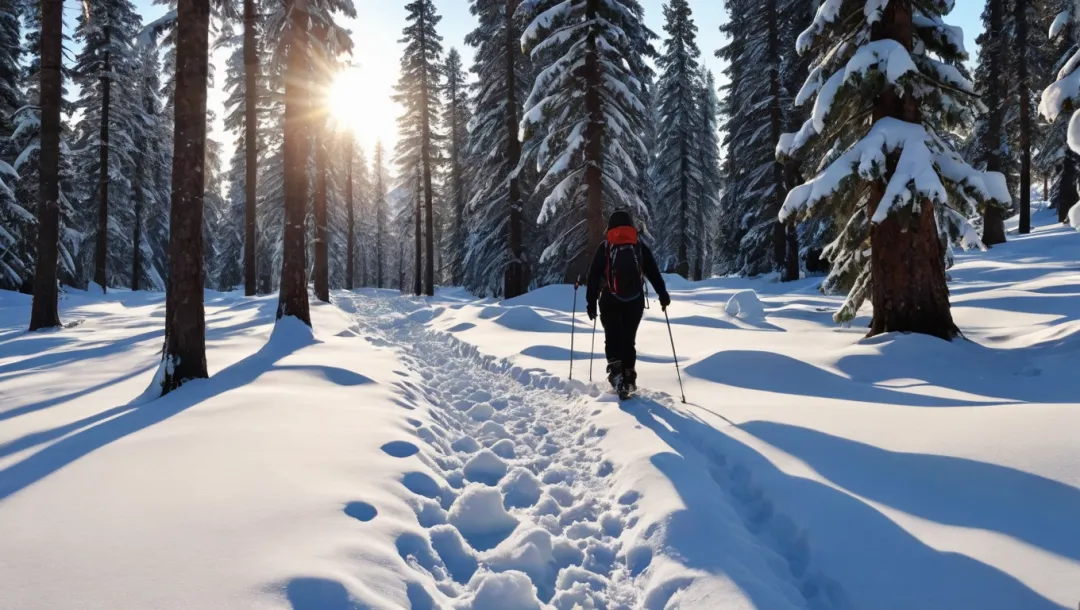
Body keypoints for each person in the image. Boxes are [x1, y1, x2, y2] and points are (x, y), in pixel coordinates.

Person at [585, 209, 670, 397]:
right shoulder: (638, 246)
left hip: (609, 298)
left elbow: (592, 277)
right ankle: (629, 376)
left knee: (612, 336)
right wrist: (662, 294)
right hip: (635, 300)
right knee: (628, 339)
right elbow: (653, 272)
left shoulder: (605, 246)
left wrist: (591, 303)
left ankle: (616, 374)